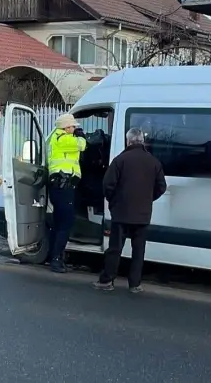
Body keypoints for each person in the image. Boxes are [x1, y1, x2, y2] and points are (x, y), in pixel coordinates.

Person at [93, 127, 166, 293]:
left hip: (121, 213)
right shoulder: (153, 162)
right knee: (138, 251)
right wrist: (148, 199)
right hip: (143, 215)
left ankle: (107, 280)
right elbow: (162, 187)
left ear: (129, 141)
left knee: (115, 249)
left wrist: (114, 201)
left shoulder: (120, 160)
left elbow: (107, 185)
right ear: (142, 141)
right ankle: (135, 284)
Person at [47, 113, 87, 273]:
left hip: (60, 186)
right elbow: (82, 145)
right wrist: (82, 135)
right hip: (63, 186)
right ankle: (56, 259)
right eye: (73, 127)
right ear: (65, 127)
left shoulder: (58, 138)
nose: (75, 128)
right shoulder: (62, 139)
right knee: (66, 223)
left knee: (59, 223)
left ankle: (54, 256)